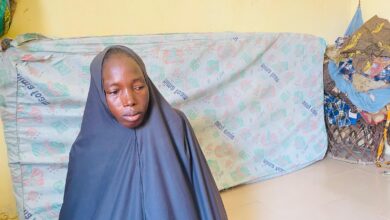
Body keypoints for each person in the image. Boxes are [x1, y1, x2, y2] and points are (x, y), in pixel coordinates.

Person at [59, 45, 228, 220]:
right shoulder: (86, 151)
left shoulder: (176, 126)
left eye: (138, 87)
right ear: (100, 95)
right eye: (114, 91)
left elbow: (204, 198)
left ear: (148, 84)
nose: (130, 100)